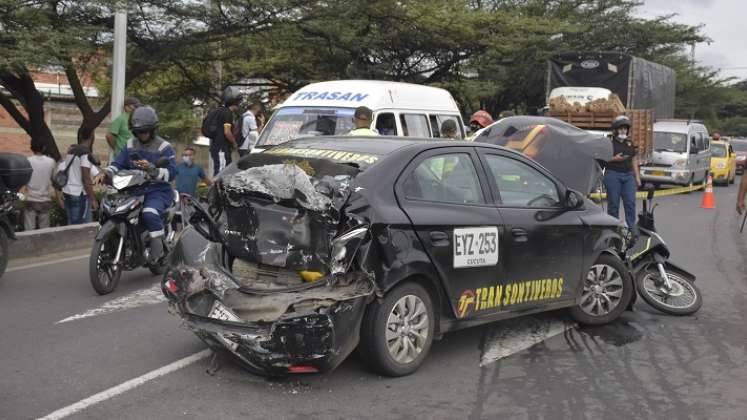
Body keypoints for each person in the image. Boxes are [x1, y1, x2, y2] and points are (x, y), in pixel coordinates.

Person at [105, 106, 176, 262]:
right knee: (113, 211)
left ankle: (159, 251)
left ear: (153, 130)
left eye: (145, 131)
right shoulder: (130, 144)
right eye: (139, 132)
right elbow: (118, 163)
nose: (142, 135)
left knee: (149, 213)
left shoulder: (164, 147)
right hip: (134, 190)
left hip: (157, 191)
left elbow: (172, 173)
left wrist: (153, 169)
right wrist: (107, 172)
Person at [603, 115, 641, 229]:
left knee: (630, 203)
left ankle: (631, 229)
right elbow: (601, 158)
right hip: (612, 174)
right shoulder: (608, 141)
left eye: (625, 128)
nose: (623, 130)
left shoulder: (630, 142)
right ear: (615, 130)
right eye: (620, 128)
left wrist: (637, 177)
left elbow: (633, 159)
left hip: (628, 176)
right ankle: (613, 228)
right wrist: (614, 159)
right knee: (613, 204)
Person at [59, 126, 99, 225]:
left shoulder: (71, 151)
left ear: (80, 136)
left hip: (67, 192)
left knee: (71, 227)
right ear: (92, 136)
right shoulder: (85, 153)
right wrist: (93, 199)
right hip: (79, 194)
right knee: (83, 228)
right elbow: (85, 179)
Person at [21, 143, 56, 230]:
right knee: (44, 230)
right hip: (45, 199)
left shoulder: (27, 161)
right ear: (44, 148)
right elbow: (55, 180)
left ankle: (29, 243)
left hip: (30, 198)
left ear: (31, 148)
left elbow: (23, 179)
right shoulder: (51, 162)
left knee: (29, 229)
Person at [206, 92, 241, 175]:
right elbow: (227, 132)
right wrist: (234, 143)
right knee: (222, 173)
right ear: (235, 103)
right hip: (222, 149)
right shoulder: (227, 113)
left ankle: (218, 187)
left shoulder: (220, 111)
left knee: (220, 171)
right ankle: (218, 188)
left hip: (216, 147)